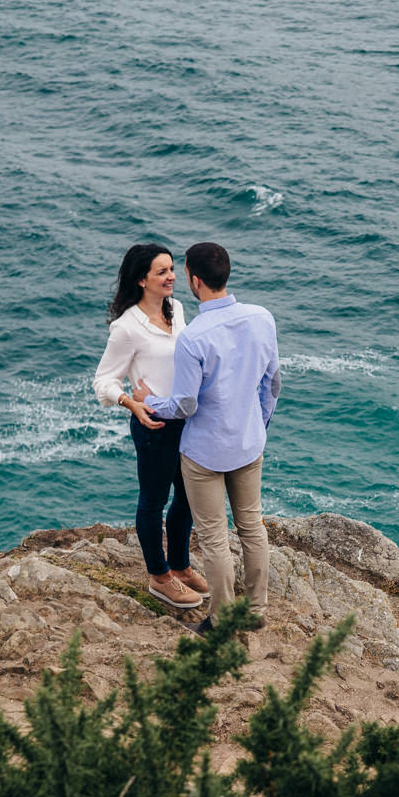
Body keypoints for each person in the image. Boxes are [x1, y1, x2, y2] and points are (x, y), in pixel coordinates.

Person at [138, 241, 280, 632]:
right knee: (252, 526)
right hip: (249, 444)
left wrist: (151, 401)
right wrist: (258, 424)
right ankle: (255, 612)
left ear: (193, 279)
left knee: (215, 536)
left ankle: (221, 619)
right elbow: (273, 383)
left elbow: (184, 405)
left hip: (204, 453)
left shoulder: (194, 337)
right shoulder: (262, 318)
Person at [92, 243, 208, 608]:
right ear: (142, 280)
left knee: (188, 498)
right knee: (153, 502)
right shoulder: (126, 329)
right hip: (154, 423)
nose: (172, 276)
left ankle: (180, 565)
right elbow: (103, 381)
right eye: (162, 271)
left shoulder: (178, 309)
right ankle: (159, 577)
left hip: (186, 419)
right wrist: (131, 402)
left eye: (172, 269)